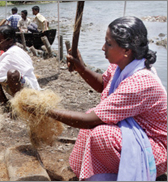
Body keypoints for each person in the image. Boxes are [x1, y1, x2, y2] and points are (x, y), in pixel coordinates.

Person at [25, 16, 167, 181]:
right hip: (136, 133)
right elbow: (102, 83)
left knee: (101, 135)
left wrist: (45, 110)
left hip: (154, 149)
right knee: (92, 121)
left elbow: (88, 121)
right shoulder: (122, 66)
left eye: (108, 44)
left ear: (127, 50)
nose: (102, 47)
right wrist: (81, 68)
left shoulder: (140, 82)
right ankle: (85, 174)